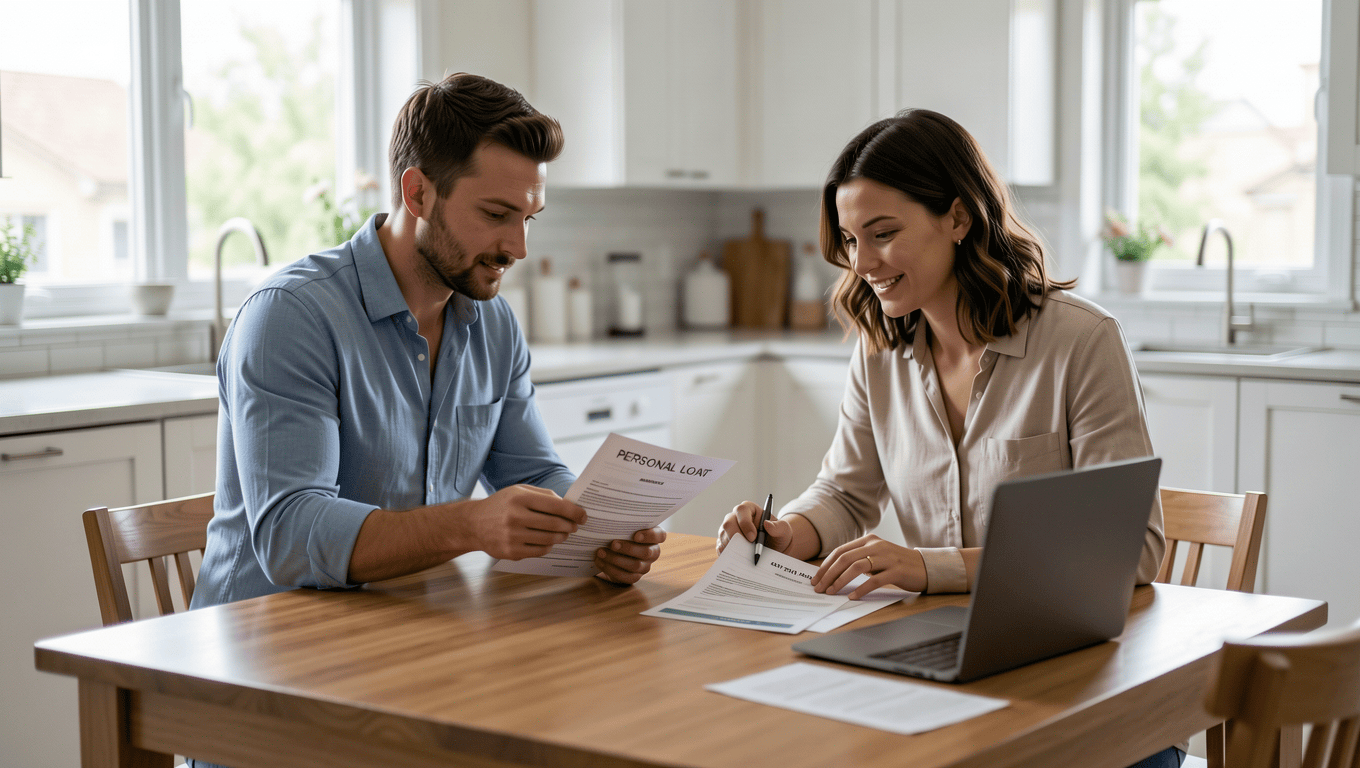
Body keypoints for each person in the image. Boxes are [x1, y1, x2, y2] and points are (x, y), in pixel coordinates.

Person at [717, 110, 1181, 768]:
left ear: (958, 219)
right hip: (938, 665)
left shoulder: (1080, 341)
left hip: (1086, 690)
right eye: (851, 240)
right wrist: (786, 532)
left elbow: (1130, 551)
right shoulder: (878, 350)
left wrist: (926, 566)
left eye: (883, 234)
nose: (863, 263)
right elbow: (846, 492)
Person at [192, 73, 665, 616]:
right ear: (417, 193)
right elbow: (290, 536)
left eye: (528, 218)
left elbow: (533, 474)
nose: (518, 247)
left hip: (403, 622)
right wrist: (469, 524)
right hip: (258, 648)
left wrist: (601, 528)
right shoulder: (292, 316)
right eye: (495, 215)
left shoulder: (494, 323)